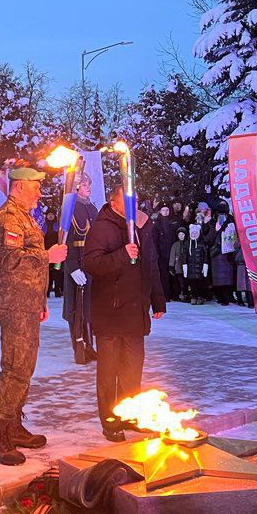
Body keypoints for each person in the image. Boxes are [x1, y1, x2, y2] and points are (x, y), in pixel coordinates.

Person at [0, 167, 68, 465]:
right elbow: (10, 261)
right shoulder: (8, 218)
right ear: (19, 186)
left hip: (27, 302)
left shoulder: (24, 216)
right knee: (15, 368)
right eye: (35, 187)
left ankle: (14, 427)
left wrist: (40, 298)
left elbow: (28, 266)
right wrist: (49, 255)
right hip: (14, 303)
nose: (39, 192)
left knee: (25, 367)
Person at [84, 186, 167, 441]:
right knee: (109, 373)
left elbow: (150, 266)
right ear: (114, 201)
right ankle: (110, 422)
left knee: (132, 370)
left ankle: (132, 415)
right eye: (127, 199)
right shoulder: (102, 227)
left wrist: (158, 300)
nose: (133, 204)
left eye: (136, 199)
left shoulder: (142, 227)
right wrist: (122, 255)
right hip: (109, 313)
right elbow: (91, 264)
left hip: (134, 312)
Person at [62, 171, 99, 364]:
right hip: (76, 265)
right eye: (85, 185)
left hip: (91, 265)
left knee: (89, 308)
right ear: (76, 187)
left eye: (89, 185)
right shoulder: (70, 208)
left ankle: (89, 346)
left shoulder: (92, 208)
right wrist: (72, 267)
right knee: (76, 309)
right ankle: (79, 347)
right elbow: (65, 240)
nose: (89, 188)